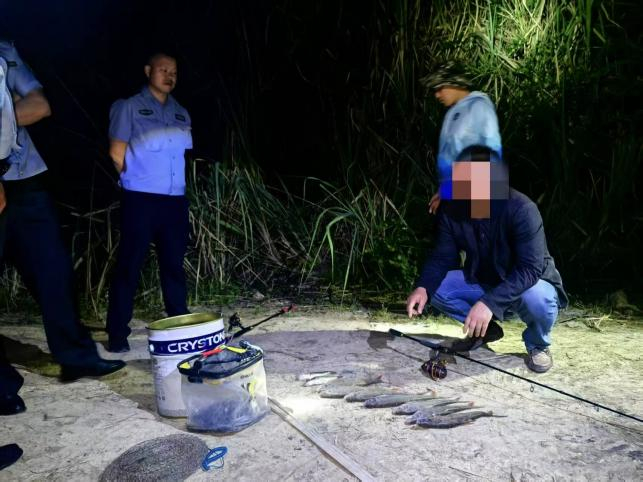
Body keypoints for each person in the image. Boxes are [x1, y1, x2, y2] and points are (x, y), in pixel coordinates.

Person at [0, 40, 125, 469]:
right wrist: (9, 113)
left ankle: (76, 356)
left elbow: (39, 105)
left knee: (54, 269)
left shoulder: (4, 48)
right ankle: (1, 386)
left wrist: (4, 118)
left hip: (25, 180)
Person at [406, 146, 568, 373]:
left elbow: (530, 269)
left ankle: (538, 344)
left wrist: (489, 303)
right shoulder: (451, 210)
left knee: (538, 297)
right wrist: (423, 287)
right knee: (436, 287)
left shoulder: (523, 209)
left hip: (527, 284)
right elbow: (442, 257)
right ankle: (484, 330)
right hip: (485, 279)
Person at [105, 52, 192, 352]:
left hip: (175, 202)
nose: (169, 76)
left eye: (174, 71)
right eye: (163, 70)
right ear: (147, 71)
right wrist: (134, 181)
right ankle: (117, 334)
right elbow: (116, 152)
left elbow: (180, 156)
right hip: (141, 200)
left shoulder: (181, 113)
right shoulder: (128, 107)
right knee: (130, 266)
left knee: (174, 267)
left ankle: (179, 328)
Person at [421, 62, 502, 215]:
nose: (437, 95)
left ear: (455, 82)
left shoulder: (478, 106)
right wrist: (444, 192)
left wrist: (479, 207)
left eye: (440, 88)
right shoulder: (452, 113)